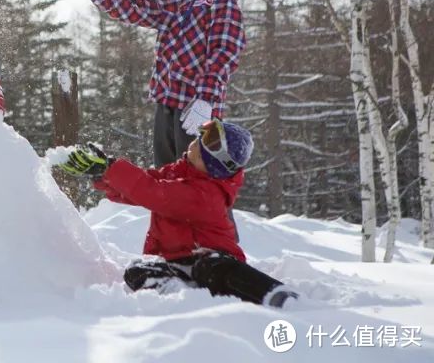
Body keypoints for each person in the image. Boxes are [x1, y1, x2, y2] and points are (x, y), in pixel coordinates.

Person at [53, 120, 297, 308]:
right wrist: (103, 175)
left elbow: (152, 192)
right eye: (201, 137)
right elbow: (142, 186)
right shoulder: (181, 172)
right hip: (174, 264)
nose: (197, 140)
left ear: (213, 164)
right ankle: (178, 298)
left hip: (210, 259)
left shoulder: (205, 195)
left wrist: (111, 167)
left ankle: (273, 293)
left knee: (212, 268)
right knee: (137, 271)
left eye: (205, 145)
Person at [65, 0, 245, 167]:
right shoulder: (177, 1)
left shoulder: (223, 2)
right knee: (167, 175)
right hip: (166, 103)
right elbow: (133, 9)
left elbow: (225, 52)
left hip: (197, 108)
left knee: (199, 179)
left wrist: (206, 99)